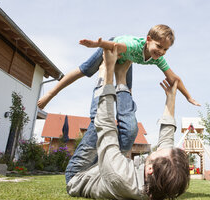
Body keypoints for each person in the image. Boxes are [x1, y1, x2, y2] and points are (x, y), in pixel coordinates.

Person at [66, 45, 190, 200]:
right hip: (106, 167)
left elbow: (106, 124)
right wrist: (171, 99)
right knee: (131, 130)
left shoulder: (119, 174)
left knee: (99, 121)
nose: (160, 148)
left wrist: (106, 73)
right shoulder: (160, 181)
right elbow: (166, 140)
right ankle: (122, 76)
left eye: (158, 151)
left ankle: (114, 72)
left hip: (80, 174)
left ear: (150, 169)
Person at [37, 24, 200, 109]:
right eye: (159, 46)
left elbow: (173, 78)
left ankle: (120, 120)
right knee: (85, 70)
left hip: (125, 59)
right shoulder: (134, 45)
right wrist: (97, 44)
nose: (162, 52)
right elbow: (117, 46)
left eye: (166, 49)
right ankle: (51, 93)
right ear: (148, 39)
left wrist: (188, 97)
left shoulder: (157, 58)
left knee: (127, 91)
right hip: (113, 46)